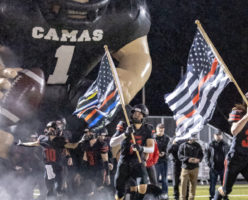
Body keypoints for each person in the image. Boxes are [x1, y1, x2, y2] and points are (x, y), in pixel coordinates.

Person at [0, 0, 152, 160]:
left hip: (75, 94)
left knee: (117, 112)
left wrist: (125, 82)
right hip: (19, 92)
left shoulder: (124, 10)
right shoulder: (10, 7)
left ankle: (109, 175)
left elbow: (135, 54)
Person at [16, 121, 82, 198]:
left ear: (57, 130)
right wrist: (22, 144)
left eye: (52, 129)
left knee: (60, 189)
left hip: (58, 167)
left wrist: (79, 143)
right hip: (48, 167)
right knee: (50, 190)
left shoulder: (60, 140)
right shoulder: (42, 138)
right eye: (49, 129)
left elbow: (69, 147)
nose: (50, 130)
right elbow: (33, 144)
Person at [110, 104, 155, 200]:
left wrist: (141, 149)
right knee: (119, 192)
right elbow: (112, 143)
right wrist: (125, 135)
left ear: (143, 115)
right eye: (135, 112)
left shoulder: (148, 128)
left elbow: (151, 148)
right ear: (132, 113)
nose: (137, 115)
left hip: (138, 161)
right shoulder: (124, 124)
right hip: (124, 161)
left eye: (140, 113)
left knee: (143, 187)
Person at [178, 134, 203, 200]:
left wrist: (199, 159)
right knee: (183, 184)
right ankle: (182, 198)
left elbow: (201, 155)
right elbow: (179, 156)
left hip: (195, 167)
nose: (194, 139)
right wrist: (188, 159)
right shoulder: (183, 145)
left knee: (193, 184)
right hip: (185, 168)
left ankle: (191, 198)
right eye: (193, 137)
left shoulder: (197, 145)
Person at [205, 131, 229, 200]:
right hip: (213, 168)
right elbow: (207, 155)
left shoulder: (225, 144)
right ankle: (212, 197)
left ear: (221, 136)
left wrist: (227, 164)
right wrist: (209, 164)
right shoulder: (210, 144)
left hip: (223, 168)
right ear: (214, 135)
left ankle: (225, 197)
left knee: (224, 184)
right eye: (217, 135)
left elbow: (228, 155)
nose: (218, 136)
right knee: (212, 184)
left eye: (219, 135)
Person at [154, 123, 170, 199]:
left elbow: (168, 149)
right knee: (155, 179)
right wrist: (157, 154)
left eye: (162, 130)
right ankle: (155, 194)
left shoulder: (167, 138)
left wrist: (164, 153)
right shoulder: (153, 138)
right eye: (159, 130)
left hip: (164, 161)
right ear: (157, 129)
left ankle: (165, 194)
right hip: (155, 161)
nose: (161, 132)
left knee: (164, 179)